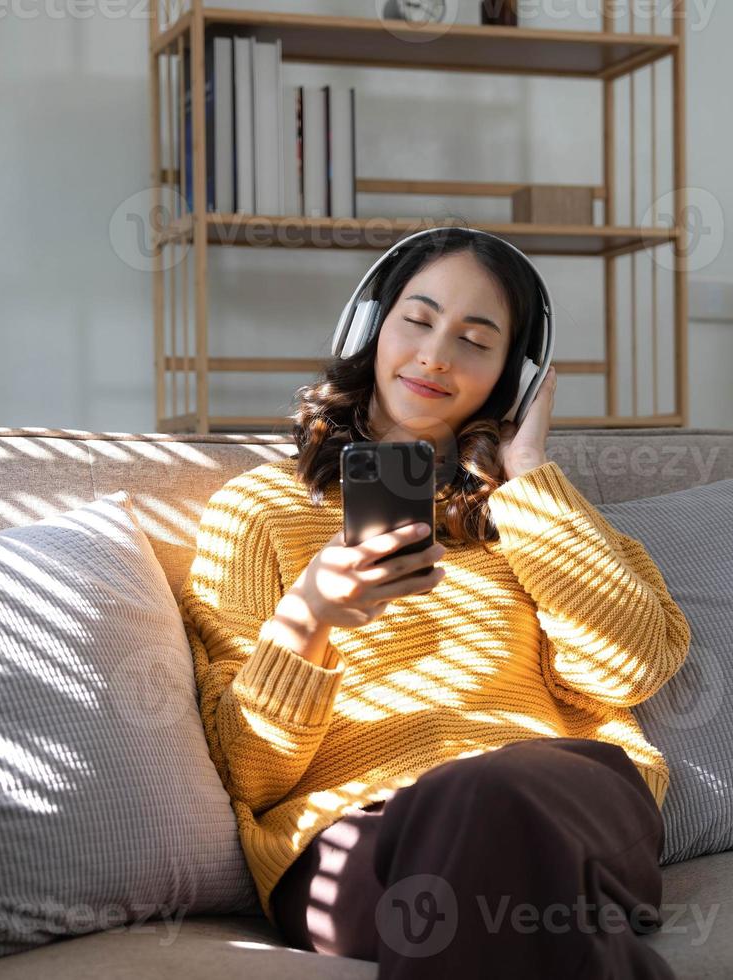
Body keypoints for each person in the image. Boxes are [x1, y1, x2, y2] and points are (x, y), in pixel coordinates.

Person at [179, 228, 692, 979]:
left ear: (513, 379)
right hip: (356, 840)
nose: (436, 356)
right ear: (369, 329)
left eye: (476, 341)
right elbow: (248, 776)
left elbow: (631, 668)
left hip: (555, 800)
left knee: (484, 795)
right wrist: (310, 617)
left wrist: (527, 472)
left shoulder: (543, 514)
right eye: (418, 321)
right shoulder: (255, 512)